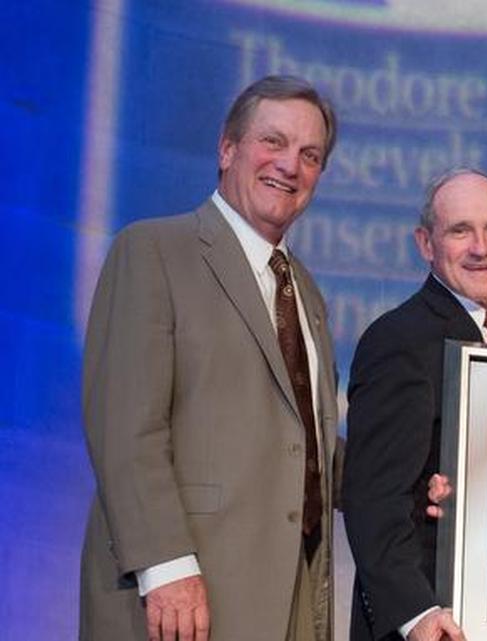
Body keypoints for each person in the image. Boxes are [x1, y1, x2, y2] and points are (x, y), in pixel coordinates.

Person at [80, 75, 340, 641]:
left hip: (289, 599)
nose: (289, 165)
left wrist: (423, 480)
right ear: (228, 149)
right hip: (181, 599)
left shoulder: (306, 293)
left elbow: (307, 445)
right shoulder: (152, 251)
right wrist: (167, 567)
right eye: (273, 142)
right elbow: (124, 426)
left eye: (310, 154)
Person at [342, 168, 487, 641]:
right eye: (460, 230)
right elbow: (372, 497)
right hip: (437, 623)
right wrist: (416, 613)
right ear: (426, 243)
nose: (481, 247)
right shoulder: (398, 339)